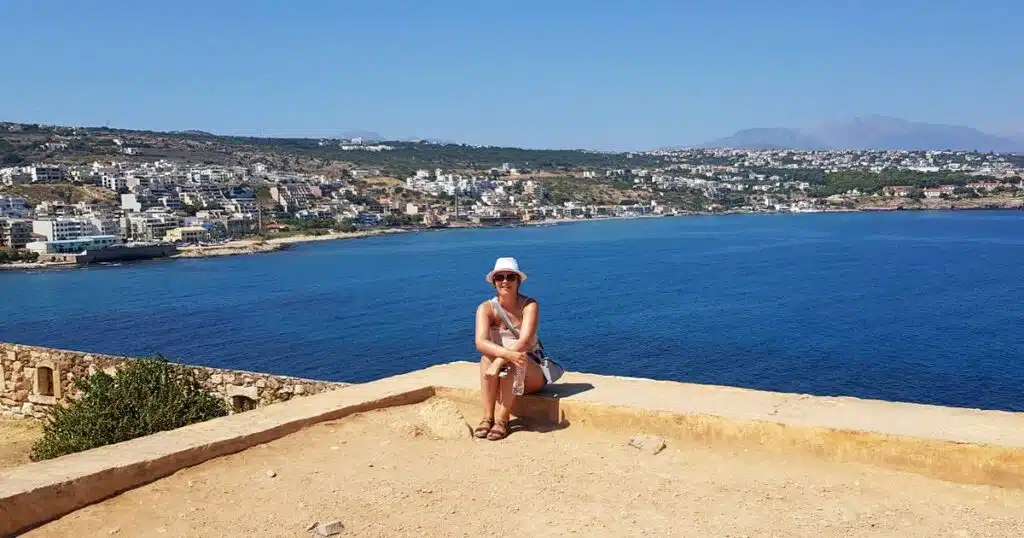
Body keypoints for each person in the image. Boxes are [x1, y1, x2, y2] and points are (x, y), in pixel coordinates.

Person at [473, 256, 547, 440]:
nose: (505, 281)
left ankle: (502, 420)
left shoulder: (529, 305)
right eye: (500, 277)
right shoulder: (486, 308)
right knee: (486, 358)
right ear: (494, 282)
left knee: (515, 359)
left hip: (531, 371)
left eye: (510, 277)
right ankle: (487, 417)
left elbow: (525, 340)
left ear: (518, 281)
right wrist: (502, 357)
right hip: (502, 369)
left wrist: (500, 359)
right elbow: (480, 342)